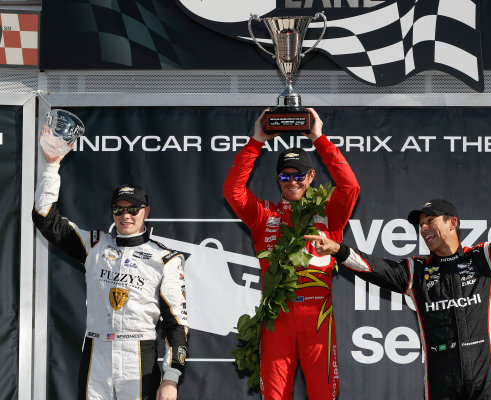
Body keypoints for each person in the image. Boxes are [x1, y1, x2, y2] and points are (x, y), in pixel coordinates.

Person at [305, 154, 491, 400]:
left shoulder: (484, 258)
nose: (424, 228)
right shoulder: (415, 271)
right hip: (441, 381)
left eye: (430, 221)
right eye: (421, 225)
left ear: (453, 223)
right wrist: (338, 250)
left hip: (484, 381)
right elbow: (371, 267)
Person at [32, 127, 188, 400]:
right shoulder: (93, 245)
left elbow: (176, 324)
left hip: (139, 352)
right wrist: (51, 167)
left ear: (145, 212)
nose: (125, 215)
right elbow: (45, 219)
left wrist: (171, 377)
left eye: (132, 209)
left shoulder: (165, 259)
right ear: (112, 212)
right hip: (96, 349)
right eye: (118, 209)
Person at [223, 108, 360, 399]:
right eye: (285, 175)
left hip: (318, 318)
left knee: (323, 394)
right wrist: (256, 141)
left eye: (298, 175)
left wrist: (320, 139)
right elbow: (233, 192)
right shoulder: (264, 215)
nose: (292, 181)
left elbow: (350, 187)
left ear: (310, 177)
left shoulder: (328, 215)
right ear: (278, 179)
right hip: (277, 320)